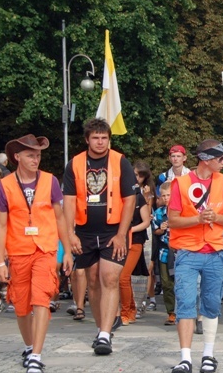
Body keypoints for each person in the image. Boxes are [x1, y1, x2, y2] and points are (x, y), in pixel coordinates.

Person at [0, 134, 73, 373]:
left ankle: (36, 355)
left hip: (45, 250)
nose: (35, 159)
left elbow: (60, 218)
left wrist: (67, 251)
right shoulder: (3, 186)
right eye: (30, 155)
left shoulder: (50, 181)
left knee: (41, 300)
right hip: (18, 251)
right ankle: (29, 346)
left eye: (38, 155)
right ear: (17, 157)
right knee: (21, 306)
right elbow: (1, 225)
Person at [63, 118, 137, 355]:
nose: (100, 142)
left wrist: (121, 234)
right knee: (92, 281)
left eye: (104, 138)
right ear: (87, 140)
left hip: (111, 231)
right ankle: (100, 327)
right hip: (84, 231)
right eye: (95, 137)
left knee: (109, 277)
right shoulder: (74, 164)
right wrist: (70, 234)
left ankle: (106, 333)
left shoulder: (120, 161)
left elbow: (130, 200)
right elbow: (68, 202)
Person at [168, 139, 223, 373]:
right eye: (220, 159)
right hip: (187, 251)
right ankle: (185, 357)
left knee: (212, 303)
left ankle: (208, 354)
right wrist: (197, 219)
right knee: (185, 303)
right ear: (206, 159)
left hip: (215, 251)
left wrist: (214, 218)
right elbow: (173, 220)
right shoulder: (181, 183)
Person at [119, 161, 152, 325]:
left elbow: (146, 222)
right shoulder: (121, 195)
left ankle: (126, 312)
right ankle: (130, 310)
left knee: (123, 277)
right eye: (134, 174)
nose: (135, 178)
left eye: (139, 175)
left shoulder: (139, 197)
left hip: (135, 241)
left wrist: (129, 230)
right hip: (120, 240)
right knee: (121, 277)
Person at [153, 181, 176, 325]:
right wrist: (161, 228)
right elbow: (155, 231)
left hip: (180, 251)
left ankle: (184, 311)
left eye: (169, 195)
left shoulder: (181, 209)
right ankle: (171, 312)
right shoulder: (159, 212)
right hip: (164, 252)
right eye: (164, 196)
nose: (166, 198)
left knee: (181, 282)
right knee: (167, 283)